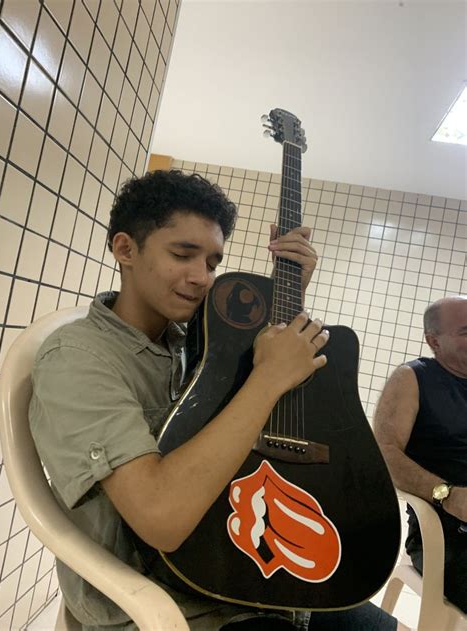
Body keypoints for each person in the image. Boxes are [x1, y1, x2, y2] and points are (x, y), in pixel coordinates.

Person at [30, 170, 403, 630]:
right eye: (183, 254)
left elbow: (238, 404)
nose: (202, 277)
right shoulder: (79, 359)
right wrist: (267, 378)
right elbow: (161, 518)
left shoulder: (190, 339)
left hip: (246, 568)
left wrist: (287, 294)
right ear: (125, 249)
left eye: (212, 262)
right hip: (172, 605)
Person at [374, 295, 467, 613]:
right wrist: (447, 494)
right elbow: (385, 454)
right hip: (447, 535)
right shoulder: (413, 378)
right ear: (434, 340)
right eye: (466, 331)